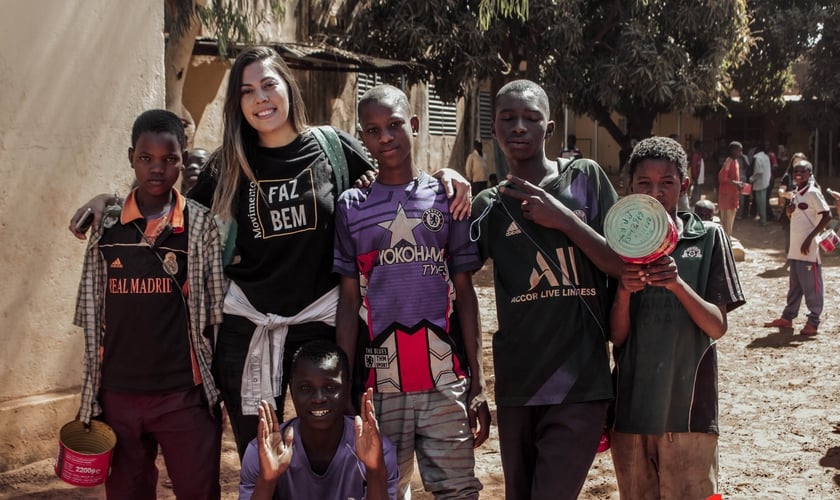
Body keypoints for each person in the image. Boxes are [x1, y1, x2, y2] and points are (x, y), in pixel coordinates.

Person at [68, 46, 473, 460]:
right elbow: (172, 213)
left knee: (328, 452)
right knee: (260, 456)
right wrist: (113, 202)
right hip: (247, 331)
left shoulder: (332, 148)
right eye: (246, 91)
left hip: (323, 328)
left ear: (287, 88)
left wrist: (446, 176)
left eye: (268, 84)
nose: (260, 98)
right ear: (237, 104)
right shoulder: (228, 165)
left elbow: (396, 176)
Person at [334, 84, 490, 499]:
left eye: (395, 125)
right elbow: (348, 302)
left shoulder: (447, 197)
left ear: (415, 125)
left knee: (458, 491)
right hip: (379, 382)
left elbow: (465, 291)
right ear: (362, 136)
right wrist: (345, 386)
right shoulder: (351, 205)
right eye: (372, 129)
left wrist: (478, 380)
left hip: (443, 376)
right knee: (380, 490)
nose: (385, 137)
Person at [471, 80, 621, 499]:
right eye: (508, 119)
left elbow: (620, 264)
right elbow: (457, 280)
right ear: (494, 129)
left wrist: (564, 219)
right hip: (518, 383)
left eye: (531, 118)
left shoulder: (585, 178)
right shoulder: (489, 206)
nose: (519, 127)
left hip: (582, 384)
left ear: (549, 129)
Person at [73, 109, 225, 498]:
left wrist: (212, 389)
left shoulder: (201, 225)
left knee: (198, 491)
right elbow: (92, 314)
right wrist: (93, 396)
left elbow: (215, 313)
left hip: (184, 397)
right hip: (117, 397)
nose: (157, 168)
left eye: (169, 159)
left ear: (182, 158)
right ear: (130, 158)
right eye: (146, 158)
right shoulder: (106, 226)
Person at [609, 136, 745, 500]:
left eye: (666, 182)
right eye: (644, 184)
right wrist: (623, 290)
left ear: (684, 185)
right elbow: (617, 337)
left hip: (691, 414)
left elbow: (717, 326)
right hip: (632, 413)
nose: (656, 192)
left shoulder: (710, 237)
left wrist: (677, 284)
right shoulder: (619, 245)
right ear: (630, 187)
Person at [239, 340, 399, 500]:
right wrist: (267, 480)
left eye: (330, 388)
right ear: (291, 389)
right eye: (305, 388)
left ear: (347, 388)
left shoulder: (378, 451)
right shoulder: (262, 453)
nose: (318, 398)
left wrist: (375, 469)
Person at [764, 160, 830, 336]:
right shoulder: (795, 192)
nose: (798, 173)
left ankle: (813, 321)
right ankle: (788, 317)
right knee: (795, 286)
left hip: (808, 250)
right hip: (795, 249)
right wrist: (789, 211)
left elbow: (826, 216)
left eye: (803, 171)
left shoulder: (813, 193)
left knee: (812, 287)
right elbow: (795, 215)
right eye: (796, 171)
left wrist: (810, 238)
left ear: (810, 174)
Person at [717, 141, 744, 236]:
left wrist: (739, 185)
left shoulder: (735, 161)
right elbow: (722, 177)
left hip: (732, 195)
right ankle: (726, 240)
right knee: (726, 222)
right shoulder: (729, 161)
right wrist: (735, 183)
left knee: (729, 222)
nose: (740, 153)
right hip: (726, 196)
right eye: (738, 151)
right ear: (732, 150)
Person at [750, 143, 772, 225]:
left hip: (759, 182)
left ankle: (763, 220)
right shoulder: (766, 157)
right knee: (762, 202)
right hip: (765, 181)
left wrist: (752, 179)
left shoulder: (757, 157)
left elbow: (759, 171)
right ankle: (763, 219)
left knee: (760, 203)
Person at [689, 140, 706, 205]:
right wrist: (695, 176)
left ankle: (697, 203)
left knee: (699, 191)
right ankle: (694, 204)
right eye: (701, 145)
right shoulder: (695, 155)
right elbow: (693, 166)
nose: (703, 147)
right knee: (696, 192)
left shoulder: (700, 155)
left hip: (700, 177)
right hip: (697, 177)